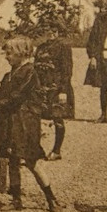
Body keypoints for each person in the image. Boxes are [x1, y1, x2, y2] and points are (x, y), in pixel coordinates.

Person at [0, 35, 65, 212]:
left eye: (9, 53)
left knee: (33, 161)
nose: (7, 57)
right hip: (11, 122)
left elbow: (17, 96)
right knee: (13, 160)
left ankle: (51, 199)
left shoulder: (30, 73)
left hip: (25, 122)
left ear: (22, 53)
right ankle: (16, 199)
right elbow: (4, 94)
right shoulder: (9, 74)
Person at [34, 32, 75, 161]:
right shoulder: (41, 47)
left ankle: (57, 150)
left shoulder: (64, 47)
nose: (50, 33)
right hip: (41, 86)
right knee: (36, 116)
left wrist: (63, 90)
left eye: (54, 30)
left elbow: (67, 70)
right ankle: (37, 149)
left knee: (57, 117)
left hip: (57, 87)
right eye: (47, 29)